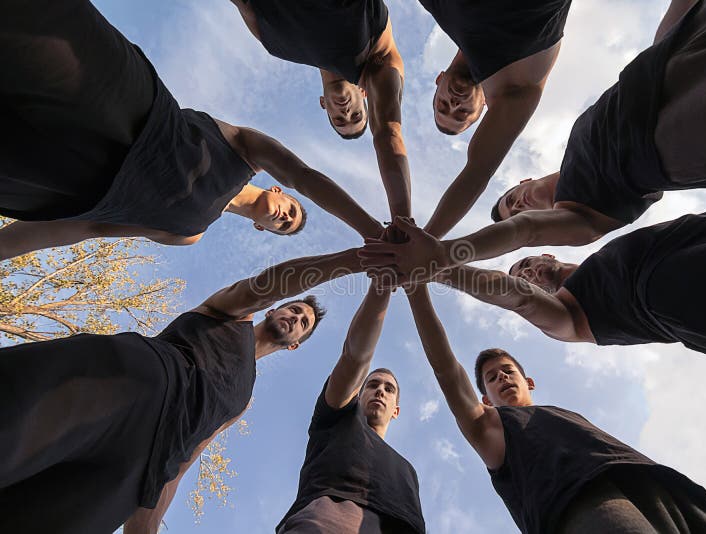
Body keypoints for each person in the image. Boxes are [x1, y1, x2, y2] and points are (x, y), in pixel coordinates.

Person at [360, 0, 706, 278]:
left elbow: (657, 53)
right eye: (514, 209)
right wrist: (432, 247)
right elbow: (519, 226)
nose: (520, 205)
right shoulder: (582, 206)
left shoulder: (580, 142)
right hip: (689, 129)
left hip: (679, 52)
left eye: (511, 198)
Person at [0, 247, 364, 534]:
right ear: (273, 309)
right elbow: (270, 282)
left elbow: (184, 462)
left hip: (138, 471)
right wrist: (350, 261)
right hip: (134, 383)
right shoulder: (233, 313)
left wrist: (146, 526)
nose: (296, 318)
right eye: (295, 308)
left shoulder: (242, 399)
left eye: (303, 323)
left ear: (296, 344)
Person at [0, 0, 382, 261]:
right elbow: (305, 175)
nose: (285, 217)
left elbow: (91, 227)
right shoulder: (247, 152)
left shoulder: (187, 234)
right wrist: (370, 230)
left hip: (65, 179)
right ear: (279, 190)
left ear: (263, 229)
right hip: (121, 103)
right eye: (292, 211)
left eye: (284, 226)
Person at [406, 286, 706, 533]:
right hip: (587, 510)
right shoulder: (490, 428)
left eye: (508, 370)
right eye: (492, 377)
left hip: (672, 498)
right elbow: (445, 368)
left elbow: (630, 459)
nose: (502, 377)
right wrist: (416, 288)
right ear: (486, 397)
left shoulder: (570, 418)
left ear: (529, 381)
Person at [398, 194, 706, 368]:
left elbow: (529, 226)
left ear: (546, 254)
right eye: (522, 277)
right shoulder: (568, 318)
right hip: (684, 290)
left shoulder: (602, 254)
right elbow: (516, 298)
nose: (525, 274)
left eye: (524, 265)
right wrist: (436, 265)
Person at [230, 0, 411, 218]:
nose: (346, 113)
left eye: (339, 120)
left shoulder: (277, 45)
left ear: (324, 104)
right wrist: (403, 220)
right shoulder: (374, 58)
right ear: (365, 94)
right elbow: (387, 133)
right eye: (356, 114)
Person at [277, 283, 425, 533]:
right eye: (373, 384)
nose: (380, 390)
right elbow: (354, 357)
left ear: (396, 410)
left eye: (389, 389)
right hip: (330, 520)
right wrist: (383, 284)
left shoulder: (407, 470)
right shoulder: (337, 417)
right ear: (358, 394)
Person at [418, 0, 573, 237]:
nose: (454, 104)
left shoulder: (438, 8)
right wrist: (428, 238)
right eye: (462, 113)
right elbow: (478, 170)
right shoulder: (513, 88)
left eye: (442, 105)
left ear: (439, 80)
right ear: (485, 105)